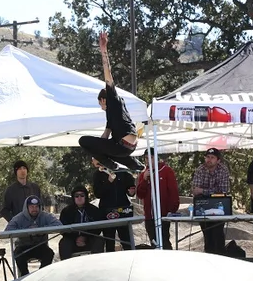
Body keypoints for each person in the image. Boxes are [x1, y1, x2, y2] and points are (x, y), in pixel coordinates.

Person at [77, 31, 144, 173]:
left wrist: (103, 51)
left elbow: (108, 74)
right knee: (105, 146)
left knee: (83, 141)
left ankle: (115, 164)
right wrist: (97, 155)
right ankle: (133, 164)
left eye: (100, 104)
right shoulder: (114, 113)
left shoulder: (113, 100)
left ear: (103, 99)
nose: (101, 107)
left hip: (122, 145)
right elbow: (105, 137)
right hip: (129, 146)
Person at [4, 195, 62, 276]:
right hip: (23, 246)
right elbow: (7, 231)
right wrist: (26, 231)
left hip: (40, 246)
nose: (34, 209)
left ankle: (40, 275)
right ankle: (25, 277)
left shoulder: (45, 216)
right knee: (18, 255)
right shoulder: (18, 218)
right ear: (26, 207)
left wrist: (42, 229)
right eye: (31, 207)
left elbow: (59, 225)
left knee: (49, 253)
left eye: (36, 206)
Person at [136, 150, 180, 250]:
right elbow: (140, 194)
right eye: (146, 158)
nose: (148, 161)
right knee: (154, 243)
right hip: (149, 216)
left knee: (164, 242)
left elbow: (173, 191)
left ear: (156, 158)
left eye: (151, 158)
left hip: (163, 215)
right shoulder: (144, 174)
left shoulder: (167, 171)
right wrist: (144, 179)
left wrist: (171, 210)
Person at [92, 158, 135, 251]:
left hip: (123, 210)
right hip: (107, 211)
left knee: (127, 240)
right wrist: (108, 182)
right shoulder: (98, 174)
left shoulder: (123, 171)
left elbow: (131, 188)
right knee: (109, 241)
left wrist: (132, 191)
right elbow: (97, 194)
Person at [191, 147, 229, 254]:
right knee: (207, 237)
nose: (209, 159)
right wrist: (212, 192)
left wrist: (203, 191)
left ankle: (221, 258)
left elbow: (223, 190)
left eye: (212, 157)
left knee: (218, 235)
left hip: (219, 208)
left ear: (218, 160)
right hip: (203, 208)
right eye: (207, 157)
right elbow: (195, 190)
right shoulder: (200, 170)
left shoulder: (223, 170)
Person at [58, 185, 105, 259]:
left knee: (99, 240)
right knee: (64, 243)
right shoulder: (66, 211)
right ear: (73, 197)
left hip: (89, 239)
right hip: (72, 240)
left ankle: (97, 265)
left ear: (86, 197)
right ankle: (66, 267)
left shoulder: (94, 210)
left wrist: (85, 237)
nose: (79, 198)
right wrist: (75, 238)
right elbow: (63, 229)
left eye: (82, 195)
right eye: (76, 196)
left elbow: (98, 228)